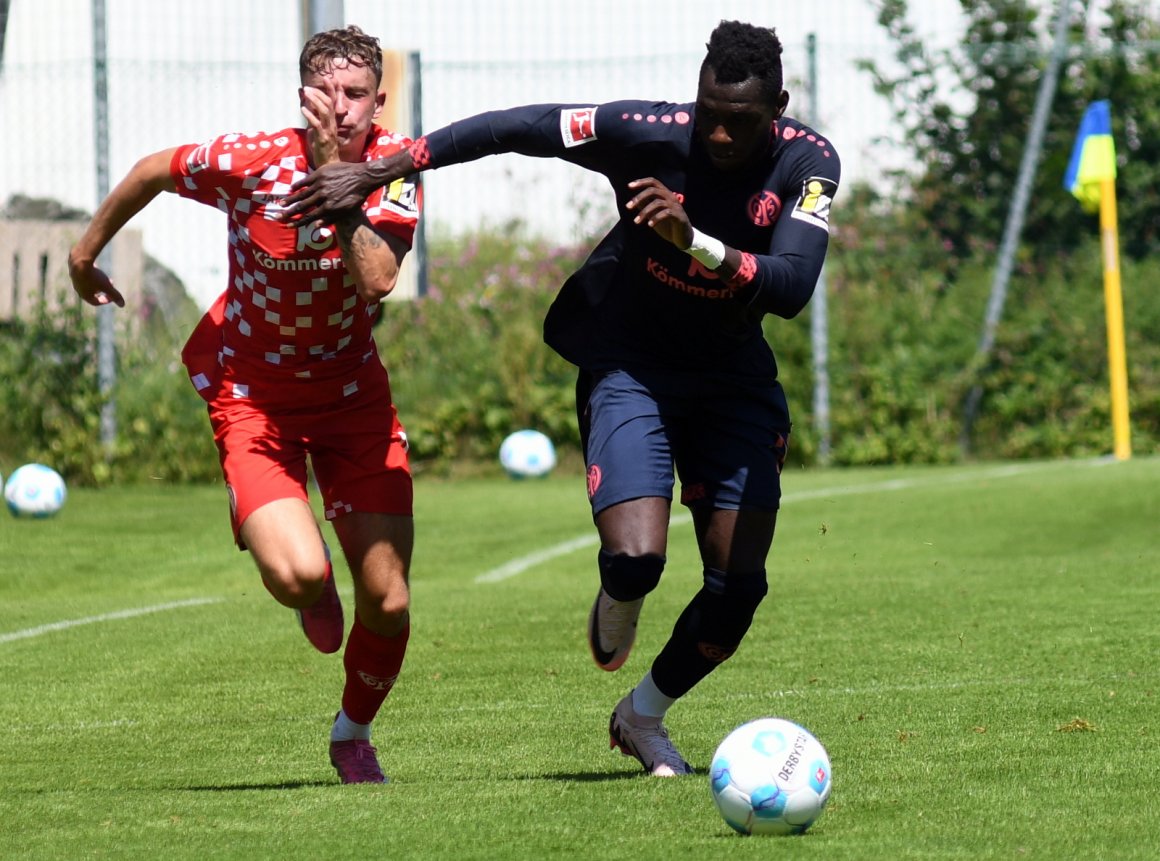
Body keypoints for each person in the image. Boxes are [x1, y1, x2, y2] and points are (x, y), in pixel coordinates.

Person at [283, 19, 840, 777]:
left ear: (776, 105)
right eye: (707, 110)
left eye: (738, 121)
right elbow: (517, 127)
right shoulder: (645, 131)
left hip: (731, 381)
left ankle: (642, 716)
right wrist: (382, 168)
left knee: (738, 586)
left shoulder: (809, 162)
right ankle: (620, 594)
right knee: (636, 558)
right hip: (630, 364)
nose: (716, 134)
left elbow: (792, 286)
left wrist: (696, 242)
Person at [67, 26, 421, 785]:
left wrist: (336, 175)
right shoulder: (251, 161)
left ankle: (352, 732)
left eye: (356, 94)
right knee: (297, 577)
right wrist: (83, 252)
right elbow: (152, 170)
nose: (341, 108)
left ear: (378, 99)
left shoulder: (396, 165)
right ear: (302, 96)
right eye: (326, 94)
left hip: (354, 398)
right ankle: (303, 570)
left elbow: (380, 277)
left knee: (389, 601)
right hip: (255, 398)